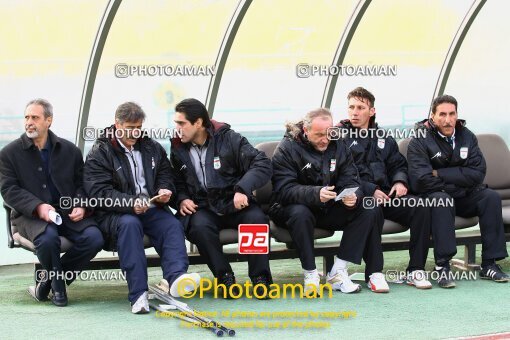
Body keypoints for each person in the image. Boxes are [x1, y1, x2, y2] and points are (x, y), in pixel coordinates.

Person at [83, 102, 199, 314]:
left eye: (138, 127)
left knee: (171, 225)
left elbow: (166, 173)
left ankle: (176, 278)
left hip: (152, 208)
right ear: (117, 125)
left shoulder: (151, 147)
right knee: (130, 225)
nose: (135, 132)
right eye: (130, 127)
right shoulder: (100, 152)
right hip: (115, 214)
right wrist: (130, 203)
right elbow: (98, 193)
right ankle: (138, 295)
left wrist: (165, 190)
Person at [270, 108, 388, 296]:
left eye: (328, 133)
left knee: (369, 207)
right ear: (306, 131)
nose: (325, 139)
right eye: (318, 135)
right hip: (292, 207)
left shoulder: (338, 143)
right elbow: (283, 190)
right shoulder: (287, 148)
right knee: (300, 213)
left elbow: (351, 177)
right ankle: (310, 275)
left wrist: (352, 195)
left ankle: (337, 272)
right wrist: (316, 193)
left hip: (328, 206)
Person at [0, 99, 103, 307]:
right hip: (30, 216)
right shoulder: (8, 154)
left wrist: (81, 204)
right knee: (47, 239)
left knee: (95, 238)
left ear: (49, 121)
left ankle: (50, 280)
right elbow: (8, 190)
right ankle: (58, 289)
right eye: (27, 117)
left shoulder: (70, 150)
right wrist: (38, 207)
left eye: (35, 118)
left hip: (67, 213)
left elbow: (82, 184)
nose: (29, 122)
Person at [170, 98, 273, 299]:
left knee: (257, 220)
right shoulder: (177, 147)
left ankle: (261, 279)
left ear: (198, 123)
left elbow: (261, 164)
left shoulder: (230, 139)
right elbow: (176, 180)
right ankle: (224, 277)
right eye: (176, 123)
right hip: (204, 208)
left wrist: (242, 189)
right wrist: (182, 198)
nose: (177, 128)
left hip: (234, 204)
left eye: (181, 123)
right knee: (198, 227)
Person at [407, 94, 509, 287]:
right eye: (442, 114)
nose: (448, 120)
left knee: (490, 197)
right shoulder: (419, 140)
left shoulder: (466, 135)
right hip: (437, 196)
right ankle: (443, 266)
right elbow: (421, 179)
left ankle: (490, 264)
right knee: (442, 200)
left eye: (452, 114)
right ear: (433, 116)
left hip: (464, 195)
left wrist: (440, 173)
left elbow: (478, 172)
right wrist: (456, 181)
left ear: (457, 114)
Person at [337, 87, 433, 289]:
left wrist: (399, 182)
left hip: (387, 194)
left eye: (360, 107)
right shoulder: (339, 138)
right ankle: (374, 273)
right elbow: (341, 175)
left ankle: (415, 270)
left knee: (421, 206)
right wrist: (371, 189)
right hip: (360, 197)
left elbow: (398, 164)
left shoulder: (383, 137)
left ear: (371, 111)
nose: (354, 112)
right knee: (372, 208)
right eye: (351, 107)